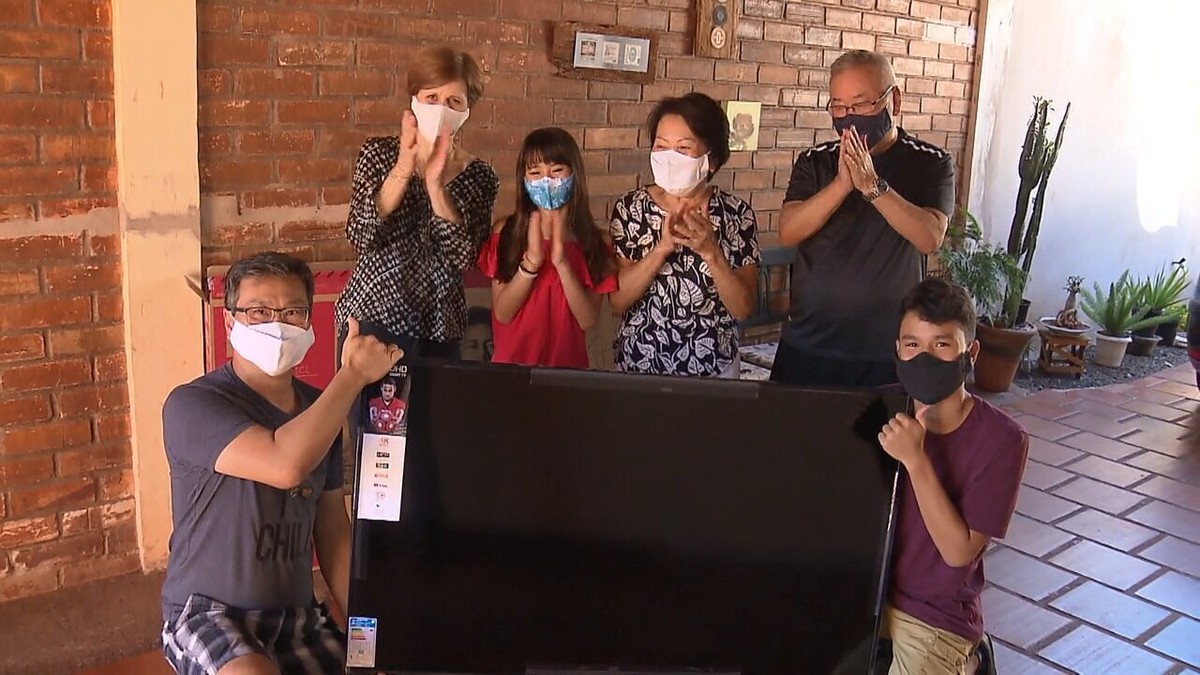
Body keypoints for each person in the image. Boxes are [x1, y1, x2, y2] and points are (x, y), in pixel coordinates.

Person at [159, 252, 403, 675]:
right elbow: (284, 462)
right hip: (209, 615)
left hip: (297, 618)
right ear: (229, 323)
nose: (277, 323)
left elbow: (333, 533)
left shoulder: (316, 410)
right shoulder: (193, 405)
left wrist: (372, 639)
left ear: (308, 323)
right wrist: (351, 376)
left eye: (293, 311)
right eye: (258, 311)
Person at [772, 49, 956, 388]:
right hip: (810, 342)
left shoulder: (930, 163)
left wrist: (873, 187)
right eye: (839, 107)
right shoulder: (815, 161)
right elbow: (788, 231)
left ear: (893, 101)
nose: (848, 117)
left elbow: (930, 236)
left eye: (861, 105)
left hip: (887, 349)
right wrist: (842, 185)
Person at [878, 278, 1026, 675]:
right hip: (868, 591)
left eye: (941, 345)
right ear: (897, 349)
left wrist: (917, 460)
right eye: (912, 344)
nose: (923, 357)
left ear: (970, 353)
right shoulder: (880, 408)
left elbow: (959, 553)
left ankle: (969, 657)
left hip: (935, 613)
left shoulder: (1002, 441)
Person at [335, 45, 500, 360]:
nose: (441, 109)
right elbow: (360, 236)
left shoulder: (480, 176)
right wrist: (402, 169)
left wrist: (436, 185)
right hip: (374, 318)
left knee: (436, 411)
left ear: (467, 110)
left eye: (454, 101)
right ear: (414, 99)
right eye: (432, 98)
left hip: (441, 327)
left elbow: (465, 257)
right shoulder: (378, 154)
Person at [609, 92, 760, 377]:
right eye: (661, 146)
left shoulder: (736, 214)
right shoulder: (631, 209)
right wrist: (661, 249)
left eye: (683, 149)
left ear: (711, 160)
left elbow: (742, 308)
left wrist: (711, 253)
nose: (669, 158)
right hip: (640, 365)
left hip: (714, 370)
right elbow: (617, 301)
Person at [478, 127, 617, 368]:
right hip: (510, 372)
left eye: (556, 170)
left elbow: (587, 319)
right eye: (535, 172)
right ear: (524, 179)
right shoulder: (507, 232)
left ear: (574, 174)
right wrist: (531, 263)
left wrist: (561, 261)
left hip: (566, 376)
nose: (547, 180)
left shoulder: (595, 242)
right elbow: (502, 313)